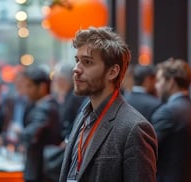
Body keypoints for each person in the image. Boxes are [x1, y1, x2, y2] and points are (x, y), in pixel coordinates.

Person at [59, 26, 157, 182]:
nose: (76, 69)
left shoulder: (134, 128)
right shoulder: (82, 117)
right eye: (77, 61)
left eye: (87, 62)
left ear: (112, 72)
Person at [151, 58, 191, 182]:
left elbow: (147, 152)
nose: (156, 85)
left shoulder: (167, 112)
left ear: (171, 82)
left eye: (159, 80)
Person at [20, 66, 62, 182]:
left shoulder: (47, 107)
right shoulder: (42, 105)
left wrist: (19, 134)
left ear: (42, 87)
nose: (26, 90)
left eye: (30, 86)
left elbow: (30, 133)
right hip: (41, 168)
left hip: (41, 171)